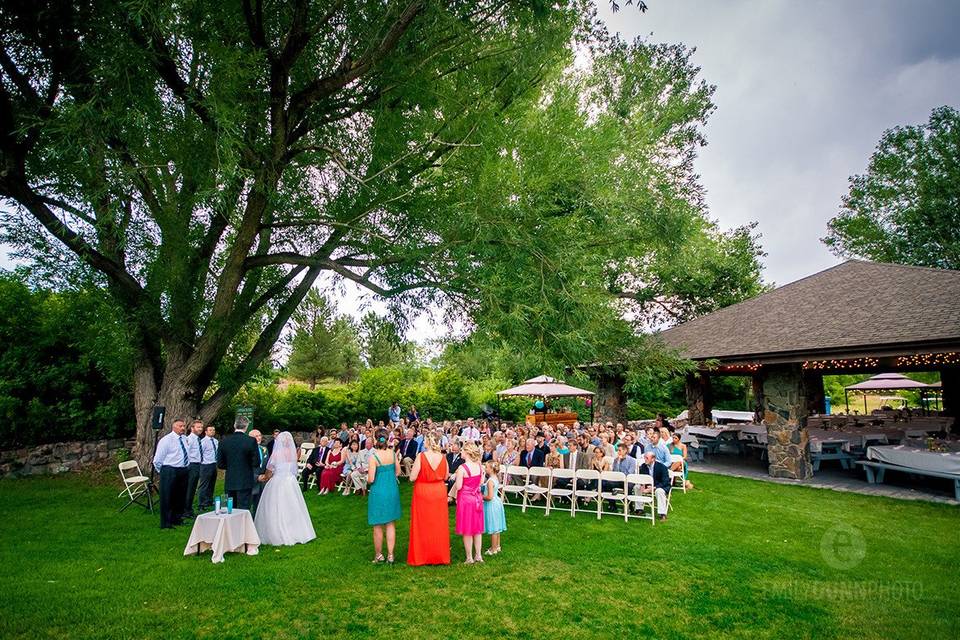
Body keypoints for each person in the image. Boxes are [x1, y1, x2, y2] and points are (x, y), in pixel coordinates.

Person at [254, 431, 317, 546]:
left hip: (278, 481)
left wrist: (265, 477)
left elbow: (269, 470)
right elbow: (293, 469)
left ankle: (276, 532)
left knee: (276, 506)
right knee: (293, 506)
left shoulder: (276, 454)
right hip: (291, 481)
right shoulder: (293, 453)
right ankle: (296, 530)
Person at [407, 434, 450, 566]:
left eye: (425, 440)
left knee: (422, 523)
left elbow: (412, 477)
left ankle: (422, 556)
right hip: (439, 491)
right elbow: (446, 476)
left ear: (428, 442)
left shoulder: (421, 456)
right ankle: (438, 555)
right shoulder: (443, 457)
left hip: (423, 491)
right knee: (438, 523)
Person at [367, 429, 401, 564]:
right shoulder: (392, 454)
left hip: (379, 492)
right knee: (390, 523)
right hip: (392, 490)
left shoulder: (374, 457)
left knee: (377, 525)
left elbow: (371, 479)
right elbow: (398, 471)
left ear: (376, 440)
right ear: (387, 440)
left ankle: (379, 555)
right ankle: (391, 555)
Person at [153, 417, 190, 529]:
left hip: (183, 469)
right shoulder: (166, 440)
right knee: (168, 496)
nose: (183, 428)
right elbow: (158, 459)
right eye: (180, 426)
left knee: (180, 496)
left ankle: (177, 518)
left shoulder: (184, 438)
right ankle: (166, 522)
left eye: (184, 426)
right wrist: (164, 471)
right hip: (170, 469)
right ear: (174, 427)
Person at [216, 415, 260, 510]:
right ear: (246, 426)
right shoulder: (251, 441)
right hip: (245, 479)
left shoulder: (224, 441)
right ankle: (242, 525)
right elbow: (256, 462)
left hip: (230, 479)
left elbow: (220, 464)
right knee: (243, 508)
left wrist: (231, 466)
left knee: (229, 508)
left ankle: (229, 525)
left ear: (234, 425)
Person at [454, 443, 485, 564]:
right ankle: (478, 555)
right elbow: (481, 482)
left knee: (467, 529)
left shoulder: (462, 468)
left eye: (462, 450)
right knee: (477, 529)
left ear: (467, 452)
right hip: (477, 498)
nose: (461, 452)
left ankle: (469, 557)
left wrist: (456, 477)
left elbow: (459, 486)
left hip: (466, 500)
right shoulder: (479, 466)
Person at [638, 450, 671, 521]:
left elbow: (665, 482)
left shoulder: (662, 467)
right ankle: (639, 509)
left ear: (653, 459)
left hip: (661, 486)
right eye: (644, 458)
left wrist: (654, 487)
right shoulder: (643, 466)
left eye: (647, 458)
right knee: (637, 487)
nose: (645, 460)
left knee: (659, 491)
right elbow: (641, 478)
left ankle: (662, 514)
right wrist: (642, 485)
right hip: (648, 486)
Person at [482, 460, 506, 556]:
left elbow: (489, 497)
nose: (485, 469)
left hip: (492, 504)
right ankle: (497, 545)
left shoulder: (490, 481)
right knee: (497, 526)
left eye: (487, 467)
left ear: (491, 469)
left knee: (493, 527)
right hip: (497, 502)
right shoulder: (495, 478)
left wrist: (481, 496)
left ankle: (493, 549)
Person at [182, 419, 204, 518]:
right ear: (192, 428)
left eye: (201, 427)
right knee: (190, 488)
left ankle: (189, 508)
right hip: (192, 465)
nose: (200, 429)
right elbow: (186, 453)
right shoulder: (189, 439)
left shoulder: (198, 439)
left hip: (198, 464)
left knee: (193, 487)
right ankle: (186, 510)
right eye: (198, 427)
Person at [197, 423, 219, 511]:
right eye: (210, 430)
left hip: (214, 463)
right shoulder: (203, 442)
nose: (212, 432)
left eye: (213, 430)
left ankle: (209, 500)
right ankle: (201, 503)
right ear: (206, 432)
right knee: (204, 484)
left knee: (211, 483)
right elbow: (200, 453)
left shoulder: (216, 441)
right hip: (206, 464)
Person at [249, 429, 269, 513]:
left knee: (260, 506)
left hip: (262, 482)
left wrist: (266, 475)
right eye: (256, 436)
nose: (259, 438)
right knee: (248, 506)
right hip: (250, 481)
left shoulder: (264, 449)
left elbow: (267, 464)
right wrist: (256, 477)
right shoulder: (247, 450)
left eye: (259, 435)